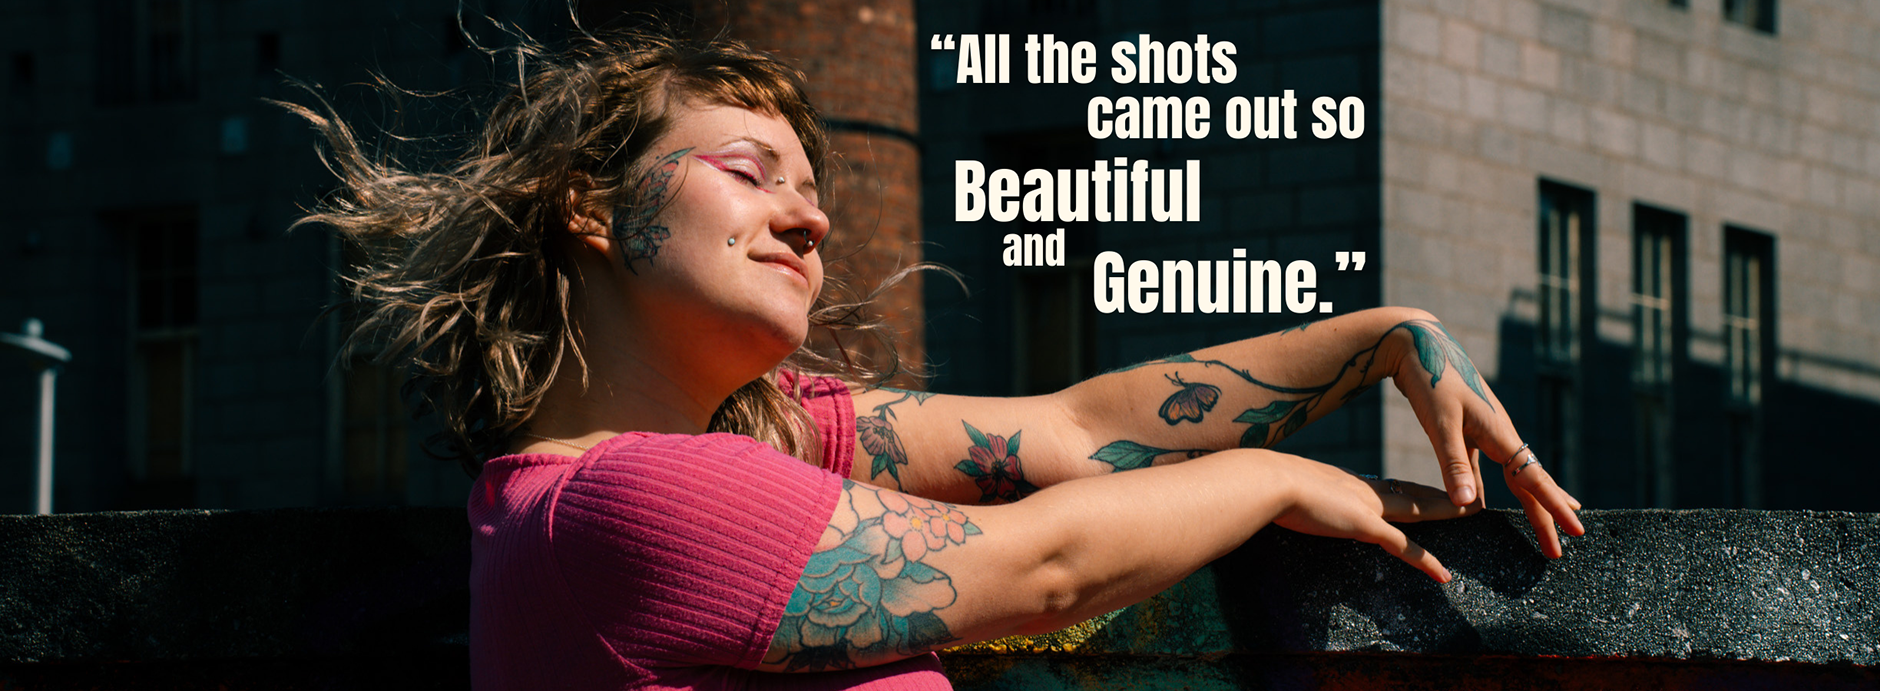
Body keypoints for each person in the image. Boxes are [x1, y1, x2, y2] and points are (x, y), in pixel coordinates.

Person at [290, 29, 1583, 691]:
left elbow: (1073, 427)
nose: (812, 217)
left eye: (814, 189)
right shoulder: (629, 505)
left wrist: (1380, 338)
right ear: (587, 205)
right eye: (752, 174)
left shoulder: (731, 440)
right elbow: (1044, 564)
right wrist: (1275, 484)